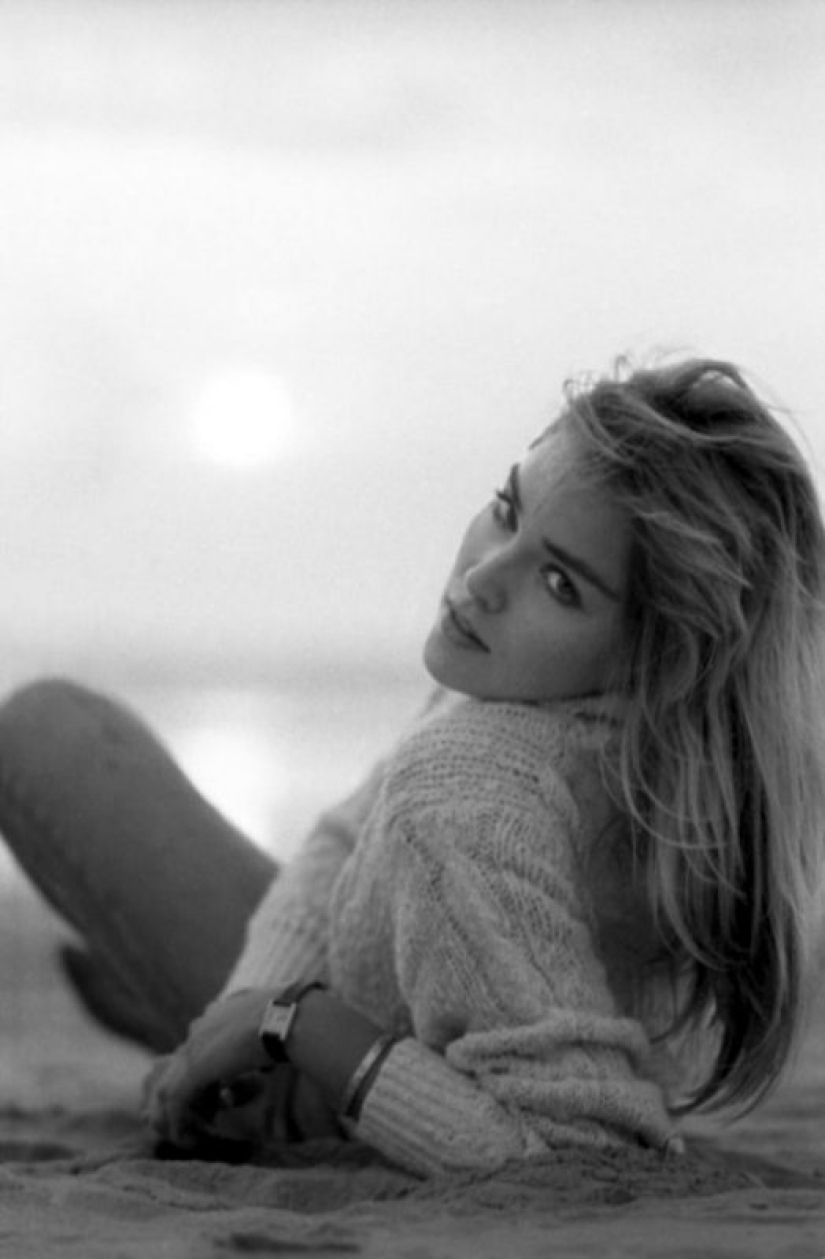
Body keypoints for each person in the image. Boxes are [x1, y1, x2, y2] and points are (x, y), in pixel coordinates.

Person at [0, 355, 823, 1178]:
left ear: (655, 655)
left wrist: (290, 1026)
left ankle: (165, 1009)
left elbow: (577, 1155)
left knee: (46, 735)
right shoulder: (578, 704)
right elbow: (340, 841)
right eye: (507, 509)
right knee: (57, 731)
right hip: (350, 995)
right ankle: (182, 1019)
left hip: (358, 1087)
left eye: (558, 582)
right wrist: (241, 1010)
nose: (482, 577)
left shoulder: (470, 788)